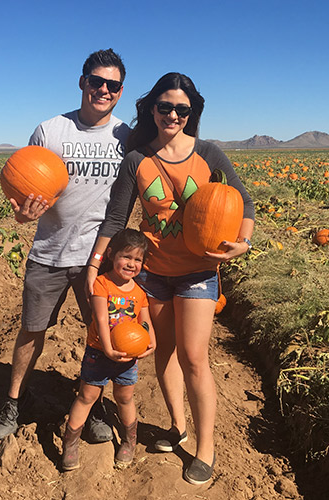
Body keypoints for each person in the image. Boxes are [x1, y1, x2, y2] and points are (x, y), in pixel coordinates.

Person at [86, 72, 255, 485]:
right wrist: (96, 263)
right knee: (165, 353)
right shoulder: (137, 160)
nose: (173, 115)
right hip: (155, 273)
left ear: (191, 111)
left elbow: (244, 200)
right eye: (165, 107)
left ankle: (205, 447)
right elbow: (116, 218)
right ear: (152, 109)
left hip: (198, 272)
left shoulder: (210, 154)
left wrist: (243, 242)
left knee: (195, 357)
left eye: (182, 108)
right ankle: (177, 426)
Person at [0, 49, 130, 443]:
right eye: (97, 81)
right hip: (49, 252)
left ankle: (95, 403)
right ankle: (14, 400)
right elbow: (23, 196)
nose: (103, 89)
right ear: (83, 82)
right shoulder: (50, 131)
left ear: (120, 92)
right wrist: (23, 217)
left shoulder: (125, 137)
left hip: (99, 258)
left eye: (112, 85)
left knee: (102, 334)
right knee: (31, 331)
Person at [61, 228, 156, 470]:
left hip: (127, 357)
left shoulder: (139, 293)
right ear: (111, 255)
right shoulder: (102, 284)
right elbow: (101, 319)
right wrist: (107, 348)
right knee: (87, 396)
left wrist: (151, 341)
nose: (131, 264)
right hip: (99, 353)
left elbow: (144, 322)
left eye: (137, 259)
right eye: (126, 257)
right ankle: (70, 444)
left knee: (124, 398)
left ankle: (128, 441)